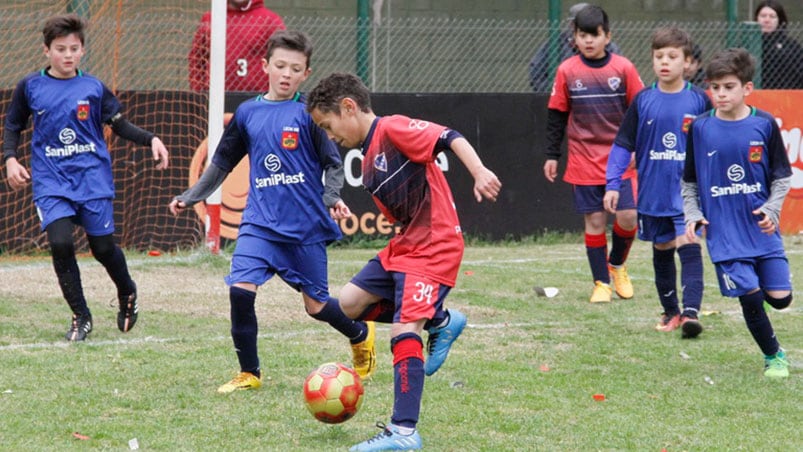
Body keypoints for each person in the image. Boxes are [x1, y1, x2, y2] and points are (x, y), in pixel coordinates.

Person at [171, 31, 378, 392]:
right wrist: (192, 196)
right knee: (240, 289)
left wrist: (331, 197)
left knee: (315, 307)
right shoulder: (249, 113)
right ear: (265, 65)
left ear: (306, 74)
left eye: (295, 69)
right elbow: (222, 162)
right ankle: (249, 373)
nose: (286, 74)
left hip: (304, 228)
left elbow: (333, 163)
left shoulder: (309, 115)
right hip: (259, 224)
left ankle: (360, 333)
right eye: (280, 65)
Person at [306, 72, 501, 451]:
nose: (329, 137)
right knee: (348, 303)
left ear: (349, 107)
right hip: (406, 246)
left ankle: (404, 432)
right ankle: (442, 319)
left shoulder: (393, 129)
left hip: (434, 244)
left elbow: (450, 137)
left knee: (403, 329)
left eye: (328, 126)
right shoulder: (365, 165)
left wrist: (479, 171)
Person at [2, 13, 169, 341]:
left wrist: (151, 139)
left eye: (74, 48)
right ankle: (81, 315)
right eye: (60, 48)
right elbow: (12, 125)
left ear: (82, 52)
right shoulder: (30, 86)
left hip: (92, 180)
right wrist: (10, 159)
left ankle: (127, 292)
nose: (67, 55)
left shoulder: (93, 88)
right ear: (46, 50)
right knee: (60, 243)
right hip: (51, 181)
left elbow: (118, 124)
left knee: (103, 248)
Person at [682, 47, 793, 378]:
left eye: (728, 86)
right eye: (715, 87)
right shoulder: (700, 128)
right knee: (750, 296)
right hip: (724, 234)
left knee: (780, 299)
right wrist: (692, 214)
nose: (720, 93)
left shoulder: (764, 124)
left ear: (747, 88)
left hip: (761, 231)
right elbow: (688, 182)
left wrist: (772, 210)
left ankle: (765, 293)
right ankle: (774, 356)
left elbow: (783, 177)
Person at [604, 26, 711, 338]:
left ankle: (691, 313)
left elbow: (714, 142)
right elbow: (623, 144)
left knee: (688, 243)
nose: (665, 62)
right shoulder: (643, 100)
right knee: (662, 247)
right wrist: (613, 183)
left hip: (688, 194)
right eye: (659, 56)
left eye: (672, 56)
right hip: (653, 194)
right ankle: (671, 312)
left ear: (687, 62)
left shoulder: (699, 100)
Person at [542, 4, 643, 303]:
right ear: (574, 37)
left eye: (594, 35)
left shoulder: (623, 68)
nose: (588, 41)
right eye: (582, 35)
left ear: (607, 36)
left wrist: (637, 146)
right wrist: (552, 155)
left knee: (628, 216)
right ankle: (601, 283)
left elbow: (639, 111)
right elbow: (557, 115)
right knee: (595, 222)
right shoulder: (567, 71)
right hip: (583, 159)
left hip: (621, 157)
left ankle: (618, 266)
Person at [188, 0, 286, 92]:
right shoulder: (211, 18)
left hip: (256, 98)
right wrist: (199, 92)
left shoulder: (270, 20)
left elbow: (284, 59)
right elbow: (197, 59)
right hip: (216, 97)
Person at [528, 2, 621, 92]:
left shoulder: (607, 45)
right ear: (572, 24)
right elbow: (536, 69)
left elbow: (620, 73)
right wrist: (551, 91)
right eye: (579, 22)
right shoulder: (556, 43)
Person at [753, 0, 803, 89]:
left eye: (772, 16)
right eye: (763, 16)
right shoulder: (748, 44)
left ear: (779, 20)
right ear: (756, 18)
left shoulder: (791, 46)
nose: (767, 20)